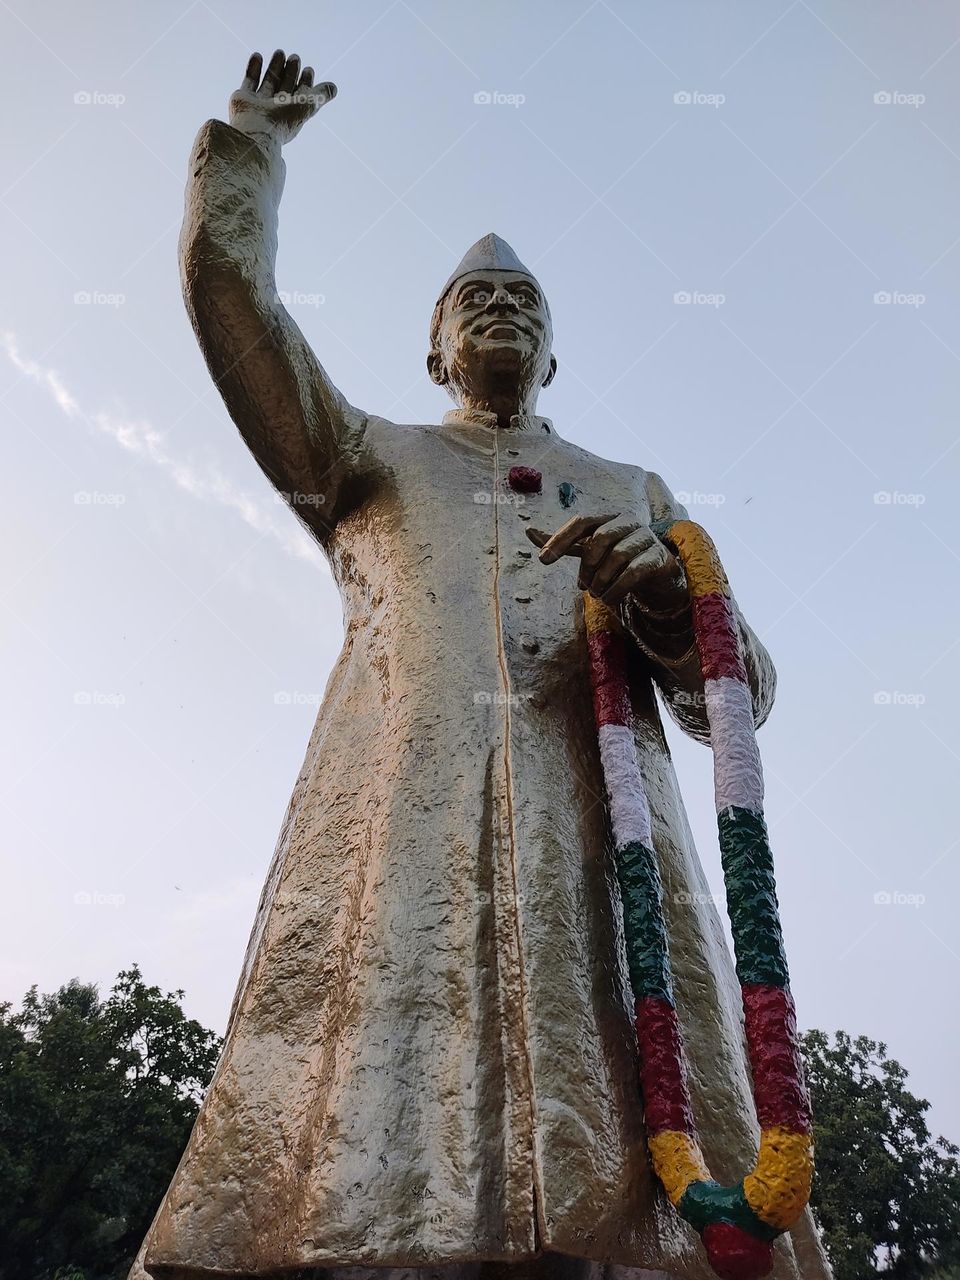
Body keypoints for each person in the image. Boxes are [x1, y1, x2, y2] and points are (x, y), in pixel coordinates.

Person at [131, 50, 830, 1280]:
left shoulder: (633, 488)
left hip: (613, 871)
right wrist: (253, 144)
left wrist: (663, 590)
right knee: (387, 1180)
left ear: (554, 355)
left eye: (526, 302)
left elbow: (743, 691)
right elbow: (230, 303)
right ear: (434, 351)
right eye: (475, 301)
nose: (503, 310)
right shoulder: (367, 458)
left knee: (634, 1201)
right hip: (411, 834)